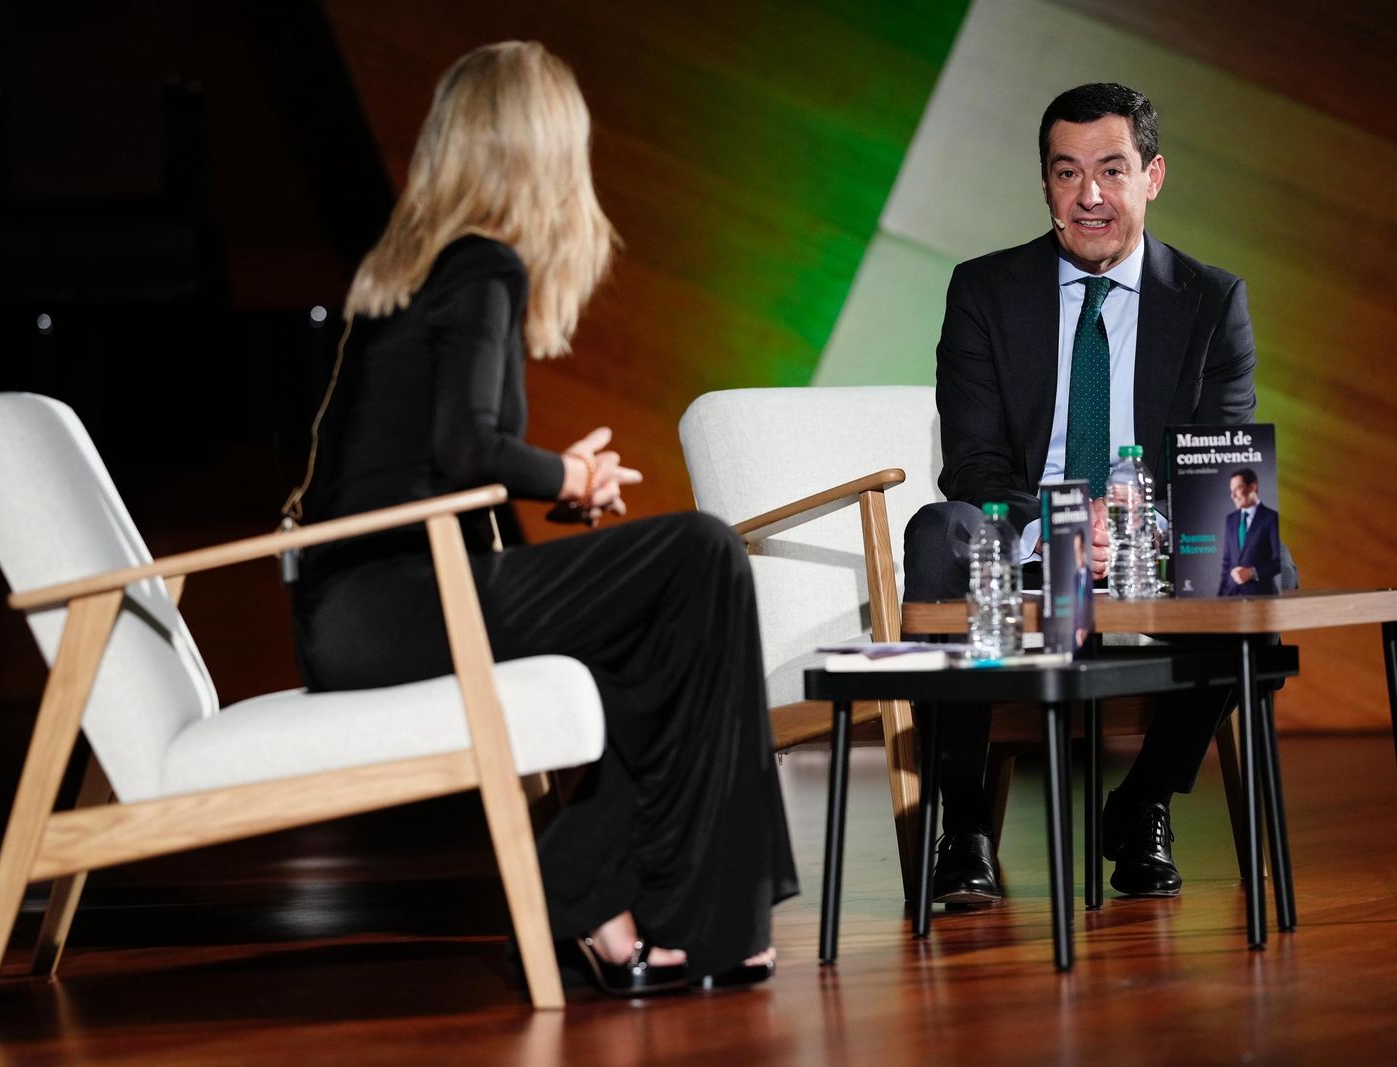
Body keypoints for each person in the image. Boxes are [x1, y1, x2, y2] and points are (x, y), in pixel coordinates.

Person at [287, 41, 796, 995]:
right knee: (701, 551)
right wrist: (563, 467)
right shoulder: (483, 267)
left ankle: (621, 904)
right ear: (542, 151)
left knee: (679, 597)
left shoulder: (412, 267)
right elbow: (464, 448)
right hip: (400, 601)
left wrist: (561, 486)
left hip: (356, 612)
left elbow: (428, 457)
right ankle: (668, 902)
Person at [904, 83, 1257, 902]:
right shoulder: (984, 291)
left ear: (1153, 175)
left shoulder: (1212, 302)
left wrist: (1141, 526)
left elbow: (1213, 464)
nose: (1089, 195)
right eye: (1067, 174)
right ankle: (965, 825)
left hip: (1147, 549)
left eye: (1111, 169)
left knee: (1252, 554)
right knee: (938, 529)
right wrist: (1058, 533)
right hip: (1025, 546)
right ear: (1045, 186)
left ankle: (1144, 803)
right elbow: (976, 462)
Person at [1218, 468, 1281, 596]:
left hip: (1261, 595)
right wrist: (1220, 597)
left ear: (1252, 487)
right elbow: (1227, 562)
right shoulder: (1230, 520)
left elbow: (1279, 561)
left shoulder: (1272, 518)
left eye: (1237, 489)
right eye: (1231, 490)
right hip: (1231, 595)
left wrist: (1252, 573)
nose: (1233, 496)